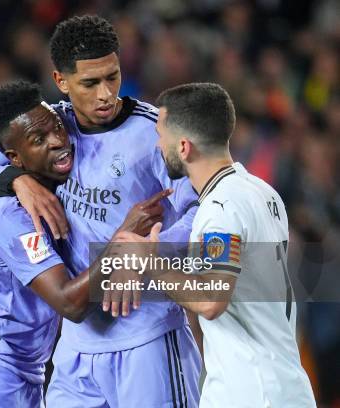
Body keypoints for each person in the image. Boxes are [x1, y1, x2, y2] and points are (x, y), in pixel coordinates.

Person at [0, 15, 201, 407]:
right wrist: (16, 179)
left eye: (112, 77)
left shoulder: (155, 134)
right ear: (62, 82)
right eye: (90, 83)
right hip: (77, 347)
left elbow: (201, 210)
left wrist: (146, 252)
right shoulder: (49, 126)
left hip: (145, 336)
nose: (106, 95)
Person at [0, 80, 164, 407]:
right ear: (16, 158)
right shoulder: (12, 215)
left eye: (57, 128)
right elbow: (68, 303)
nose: (58, 141)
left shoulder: (51, 183)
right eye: (38, 140)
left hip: (25, 367)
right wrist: (122, 242)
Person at [115, 82, 316, 407]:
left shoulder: (221, 207)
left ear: (183, 147)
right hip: (282, 384)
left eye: (159, 135)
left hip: (252, 391)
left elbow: (211, 298)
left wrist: (148, 260)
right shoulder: (262, 192)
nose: (156, 146)